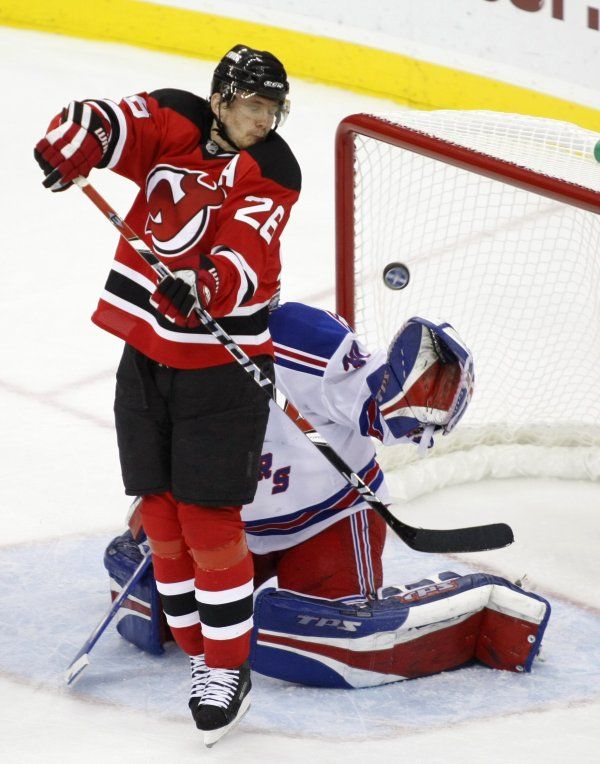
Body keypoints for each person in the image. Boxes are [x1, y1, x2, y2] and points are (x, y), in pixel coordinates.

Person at [35, 44, 301, 746]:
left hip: (221, 364)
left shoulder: (273, 167)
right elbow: (110, 123)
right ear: (219, 100)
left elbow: (251, 249)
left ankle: (226, 668)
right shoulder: (177, 118)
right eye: (251, 103)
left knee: (209, 522)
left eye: (272, 107)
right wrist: (75, 144)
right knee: (158, 507)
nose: (262, 118)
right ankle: (193, 638)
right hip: (147, 354)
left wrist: (209, 283)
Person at [106, 303, 550, 698]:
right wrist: (157, 493)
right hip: (225, 523)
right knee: (162, 611)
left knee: (334, 637)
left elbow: (382, 403)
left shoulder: (298, 333)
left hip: (327, 516)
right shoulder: (167, 341)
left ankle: (466, 608)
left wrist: (411, 391)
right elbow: (152, 430)